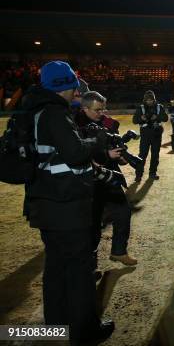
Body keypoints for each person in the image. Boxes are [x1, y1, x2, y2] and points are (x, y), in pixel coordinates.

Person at [22, 61, 114, 343]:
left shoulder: (35, 110)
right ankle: (84, 331)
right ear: (68, 84)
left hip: (44, 201)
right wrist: (95, 141)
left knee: (56, 267)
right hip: (65, 205)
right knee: (79, 269)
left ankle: (57, 324)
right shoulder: (54, 112)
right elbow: (75, 153)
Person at [75, 91, 137, 268]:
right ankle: (90, 265)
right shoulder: (73, 126)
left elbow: (113, 148)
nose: (101, 113)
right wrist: (105, 155)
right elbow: (78, 155)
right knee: (93, 224)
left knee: (123, 212)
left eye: (103, 109)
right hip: (90, 181)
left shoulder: (107, 123)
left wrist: (120, 157)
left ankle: (118, 251)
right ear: (85, 108)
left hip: (109, 176)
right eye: (97, 110)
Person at [132, 90, 168, 181]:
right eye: (147, 100)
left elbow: (166, 118)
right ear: (144, 100)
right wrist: (141, 118)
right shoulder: (141, 108)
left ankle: (152, 173)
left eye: (151, 100)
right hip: (145, 134)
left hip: (156, 134)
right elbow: (134, 120)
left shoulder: (159, 107)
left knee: (155, 155)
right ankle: (138, 175)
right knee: (142, 155)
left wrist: (157, 117)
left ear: (154, 99)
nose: (149, 102)